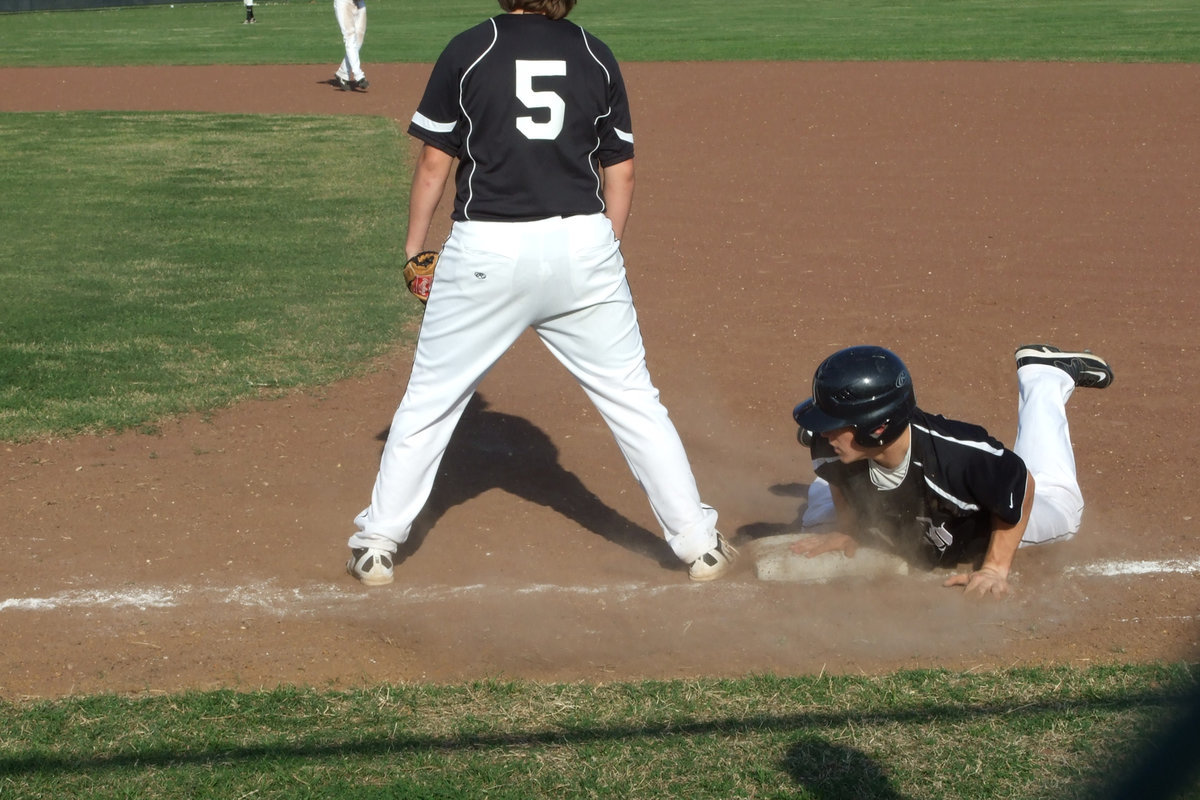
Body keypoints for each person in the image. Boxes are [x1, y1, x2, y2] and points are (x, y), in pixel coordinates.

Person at [345, 0, 737, 586]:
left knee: (429, 401)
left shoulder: (470, 47)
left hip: (487, 249)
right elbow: (620, 171)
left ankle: (378, 543)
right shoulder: (594, 54)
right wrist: (604, 253)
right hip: (583, 243)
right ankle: (698, 544)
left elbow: (435, 162)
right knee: (633, 400)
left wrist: (413, 247)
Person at [790, 343, 1113, 597]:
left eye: (835, 425)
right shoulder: (829, 447)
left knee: (1061, 504)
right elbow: (837, 480)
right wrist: (848, 528)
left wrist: (995, 569)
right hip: (904, 506)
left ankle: (1044, 376)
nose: (825, 434)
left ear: (878, 427)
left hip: (982, 522)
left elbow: (1020, 482)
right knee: (823, 520)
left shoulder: (959, 456)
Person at [333, 0, 368, 91]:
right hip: (344, 3)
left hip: (360, 4)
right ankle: (359, 76)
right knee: (350, 37)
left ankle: (343, 72)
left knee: (359, 39)